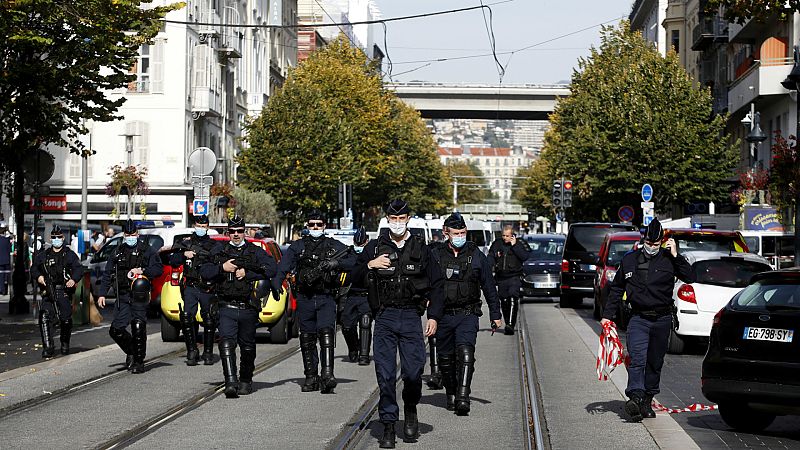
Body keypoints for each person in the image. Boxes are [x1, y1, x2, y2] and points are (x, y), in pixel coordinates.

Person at [352, 199, 443, 448]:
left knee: (413, 373)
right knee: (385, 374)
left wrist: (433, 316)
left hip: (412, 317)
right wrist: (370, 265)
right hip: (385, 317)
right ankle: (389, 425)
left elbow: (437, 285)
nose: (398, 223)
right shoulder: (374, 247)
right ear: (387, 220)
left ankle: (410, 407)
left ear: (408, 219)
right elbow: (353, 276)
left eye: (402, 219)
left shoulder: (423, 249)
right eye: (394, 219)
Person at [601, 218, 694, 422]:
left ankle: (647, 400)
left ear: (662, 241)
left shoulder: (670, 259)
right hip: (639, 318)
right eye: (649, 243)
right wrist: (607, 316)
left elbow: (690, 277)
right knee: (637, 358)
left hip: (662, 319)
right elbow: (617, 288)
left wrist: (676, 255)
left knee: (654, 362)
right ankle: (635, 396)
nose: (652, 247)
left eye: (656, 244)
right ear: (644, 240)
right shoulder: (630, 260)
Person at [272, 210, 355, 394]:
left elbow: (353, 260)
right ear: (307, 226)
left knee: (327, 334)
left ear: (324, 226)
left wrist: (335, 264)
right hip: (305, 298)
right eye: (312, 224)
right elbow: (283, 267)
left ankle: (327, 375)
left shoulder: (333, 245)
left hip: (326, 297)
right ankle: (311, 376)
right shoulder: (297, 246)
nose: (315, 227)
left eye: (319, 224)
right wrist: (276, 285)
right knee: (307, 338)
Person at [430, 213, 502, 416]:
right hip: (443, 315)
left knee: (466, 354)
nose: (460, 236)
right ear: (446, 233)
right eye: (456, 233)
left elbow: (489, 285)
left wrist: (495, 314)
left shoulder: (476, 255)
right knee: (445, 359)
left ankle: (463, 397)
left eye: (463, 232)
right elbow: (424, 282)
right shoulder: (435, 254)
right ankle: (451, 392)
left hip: (467, 314)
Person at [201, 215, 276, 398]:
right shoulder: (220, 251)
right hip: (226, 305)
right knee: (226, 342)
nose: (236, 235)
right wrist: (221, 268)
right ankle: (231, 382)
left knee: (248, 347)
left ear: (245, 232)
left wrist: (248, 273)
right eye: (232, 231)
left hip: (248, 307)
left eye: (240, 231)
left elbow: (272, 268)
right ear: (228, 232)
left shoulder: (254, 251)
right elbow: (203, 271)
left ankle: (245, 380)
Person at [97, 219, 163, 373]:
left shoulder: (147, 250)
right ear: (124, 235)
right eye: (128, 234)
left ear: (137, 234)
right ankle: (132, 351)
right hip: (123, 296)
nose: (131, 237)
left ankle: (139, 361)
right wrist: (102, 294)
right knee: (116, 330)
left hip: (139, 296)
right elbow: (108, 273)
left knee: (138, 326)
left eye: (133, 234)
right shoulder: (118, 252)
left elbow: (158, 269)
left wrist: (143, 271)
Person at [169, 215, 221, 366]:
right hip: (191, 286)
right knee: (187, 317)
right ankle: (192, 350)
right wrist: (183, 254)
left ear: (208, 227)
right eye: (199, 225)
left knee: (209, 319)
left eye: (204, 226)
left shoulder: (214, 245)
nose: (201, 228)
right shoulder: (186, 243)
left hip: (207, 287)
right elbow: (172, 260)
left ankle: (208, 352)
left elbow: (219, 264)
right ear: (194, 225)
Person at [31, 226, 84, 357]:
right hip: (48, 291)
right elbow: (34, 268)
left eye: (58, 237)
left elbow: (79, 269)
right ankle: (48, 347)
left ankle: (65, 343)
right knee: (44, 316)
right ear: (50, 238)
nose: (56, 240)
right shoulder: (44, 255)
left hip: (63, 291)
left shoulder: (69, 254)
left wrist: (73, 279)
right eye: (53, 237)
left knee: (65, 319)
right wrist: (39, 276)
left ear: (63, 238)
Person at [337, 226, 373, 365]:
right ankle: (353, 348)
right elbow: (344, 264)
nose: (359, 246)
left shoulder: (372, 253)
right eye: (357, 243)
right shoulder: (348, 254)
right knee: (347, 326)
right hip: (350, 295)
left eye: (362, 243)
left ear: (367, 241)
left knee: (365, 322)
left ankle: (364, 355)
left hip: (366, 295)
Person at [487, 225, 531, 335]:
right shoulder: (497, 244)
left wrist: (515, 245)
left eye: (507, 236)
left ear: (513, 235)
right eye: (503, 235)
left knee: (512, 296)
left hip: (514, 276)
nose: (505, 238)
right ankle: (507, 322)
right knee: (504, 299)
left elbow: (525, 256)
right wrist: (487, 268)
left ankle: (511, 324)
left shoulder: (519, 243)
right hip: (501, 277)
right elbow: (491, 256)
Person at [425, 222, 448, 390]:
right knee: (433, 337)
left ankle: (445, 371)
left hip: (453, 302)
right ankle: (435, 372)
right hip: (435, 300)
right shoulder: (431, 252)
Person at [0, 222, 11, 295]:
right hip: (6, 260)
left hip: (0, 261)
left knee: (0, 276)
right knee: (6, 277)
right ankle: (5, 290)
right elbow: (9, 249)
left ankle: (1, 289)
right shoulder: (7, 240)